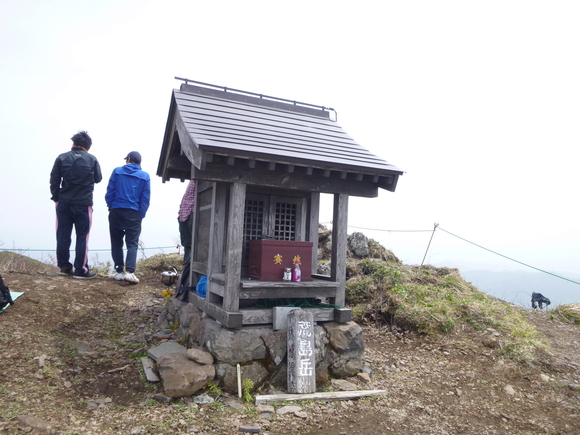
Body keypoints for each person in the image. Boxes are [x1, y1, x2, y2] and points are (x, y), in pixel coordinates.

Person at [50, 131, 102, 279]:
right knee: (82, 236)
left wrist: (56, 197)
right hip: (83, 203)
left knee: (63, 235)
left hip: (64, 202)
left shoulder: (62, 157)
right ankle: (81, 269)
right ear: (88, 147)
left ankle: (65, 266)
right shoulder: (92, 159)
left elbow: (54, 180)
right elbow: (98, 179)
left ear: (73, 144)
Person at [105, 151, 150, 284]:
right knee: (132, 243)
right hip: (134, 212)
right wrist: (141, 214)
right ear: (139, 162)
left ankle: (119, 271)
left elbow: (110, 191)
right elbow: (145, 198)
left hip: (116, 210)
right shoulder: (145, 176)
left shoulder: (117, 171)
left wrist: (111, 206)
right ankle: (130, 272)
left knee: (116, 241)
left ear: (128, 159)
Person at [178, 180, 196, 265]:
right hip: (184, 214)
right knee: (187, 242)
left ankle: (190, 263)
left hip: (190, 213)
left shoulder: (196, 181)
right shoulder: (193, 181)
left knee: (193, 242)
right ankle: (187, 263)